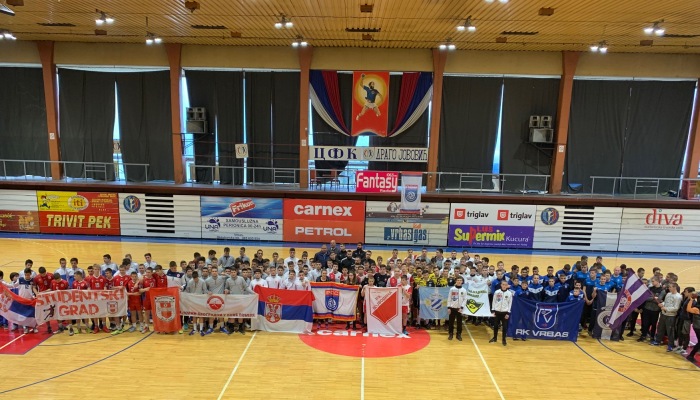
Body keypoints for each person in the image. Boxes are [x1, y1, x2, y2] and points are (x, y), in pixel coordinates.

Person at [652, 282, 682, 351]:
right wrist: (662, 304)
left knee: (670, 331)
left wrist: (666, 309)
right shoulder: (668, 294)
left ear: (674, 287)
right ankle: (658, 341)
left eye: (670, 287)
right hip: (663, 314)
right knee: (660, 328)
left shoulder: (678, 297)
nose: (669, 288)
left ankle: (671, 345)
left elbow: (676, 308)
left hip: (671, 316)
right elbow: (665, 302)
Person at [638, 276, 664, 342]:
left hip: (655, 310)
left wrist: (654, 299)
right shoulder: (650, 288)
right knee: (645, 323)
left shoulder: (662, 290)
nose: (652, 283)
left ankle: (652, 337)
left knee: (653, 324)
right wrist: (654, 298)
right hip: (647, 308)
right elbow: (645, 298)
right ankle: (643, 335)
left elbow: (659, 299)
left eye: (653, 281)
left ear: (657, 281)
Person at [184, 271, 207, 336]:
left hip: (200, 301)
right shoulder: (190, 282)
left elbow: (205, 291)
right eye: (194, 278)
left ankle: (201, 329)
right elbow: (187, 291)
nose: (195, 280)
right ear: (192, 277)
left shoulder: (202, 281)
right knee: (194, 315)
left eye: (196, 278)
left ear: (198, 276)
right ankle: (194, 329)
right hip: (193, 301)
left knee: (201, 315)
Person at [491, 280, 513, 346]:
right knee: (495, 326)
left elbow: (510, 303)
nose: (504, 286)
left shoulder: (509, 293)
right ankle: (495, 338)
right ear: (501, 285)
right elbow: (494, 301)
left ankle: (504, 339)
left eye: (505, 285)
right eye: (503, 284)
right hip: (497, 312)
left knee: (504, 327)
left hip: (505, 312)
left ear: (507, 286)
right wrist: (493, 310)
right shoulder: (497, 292)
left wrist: (508, 313)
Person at [447, 277, 467, 341]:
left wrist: (462, 307)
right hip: (452, 308)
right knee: (451, 322)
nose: (459, 281)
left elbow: (465, 299)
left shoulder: (464, 290)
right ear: (456, 281)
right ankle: (450, 334)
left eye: (460, 280)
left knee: (459, 322)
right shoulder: (452, 289)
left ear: (462, 282)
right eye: (458, 280)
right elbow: (449, 298)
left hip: (459, 309)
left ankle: (458, 334)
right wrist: (449, 307)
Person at [70, 271, 90, 335]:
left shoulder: (85, 283)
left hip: (84, 302)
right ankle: (78, 328)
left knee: (86, 314)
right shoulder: (74, 283)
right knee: (77, 314)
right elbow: (72, 291)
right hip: (77, 302)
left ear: (79, 276)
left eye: (75, 276)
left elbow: (89, 291)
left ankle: (87, 327)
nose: (74, 277)